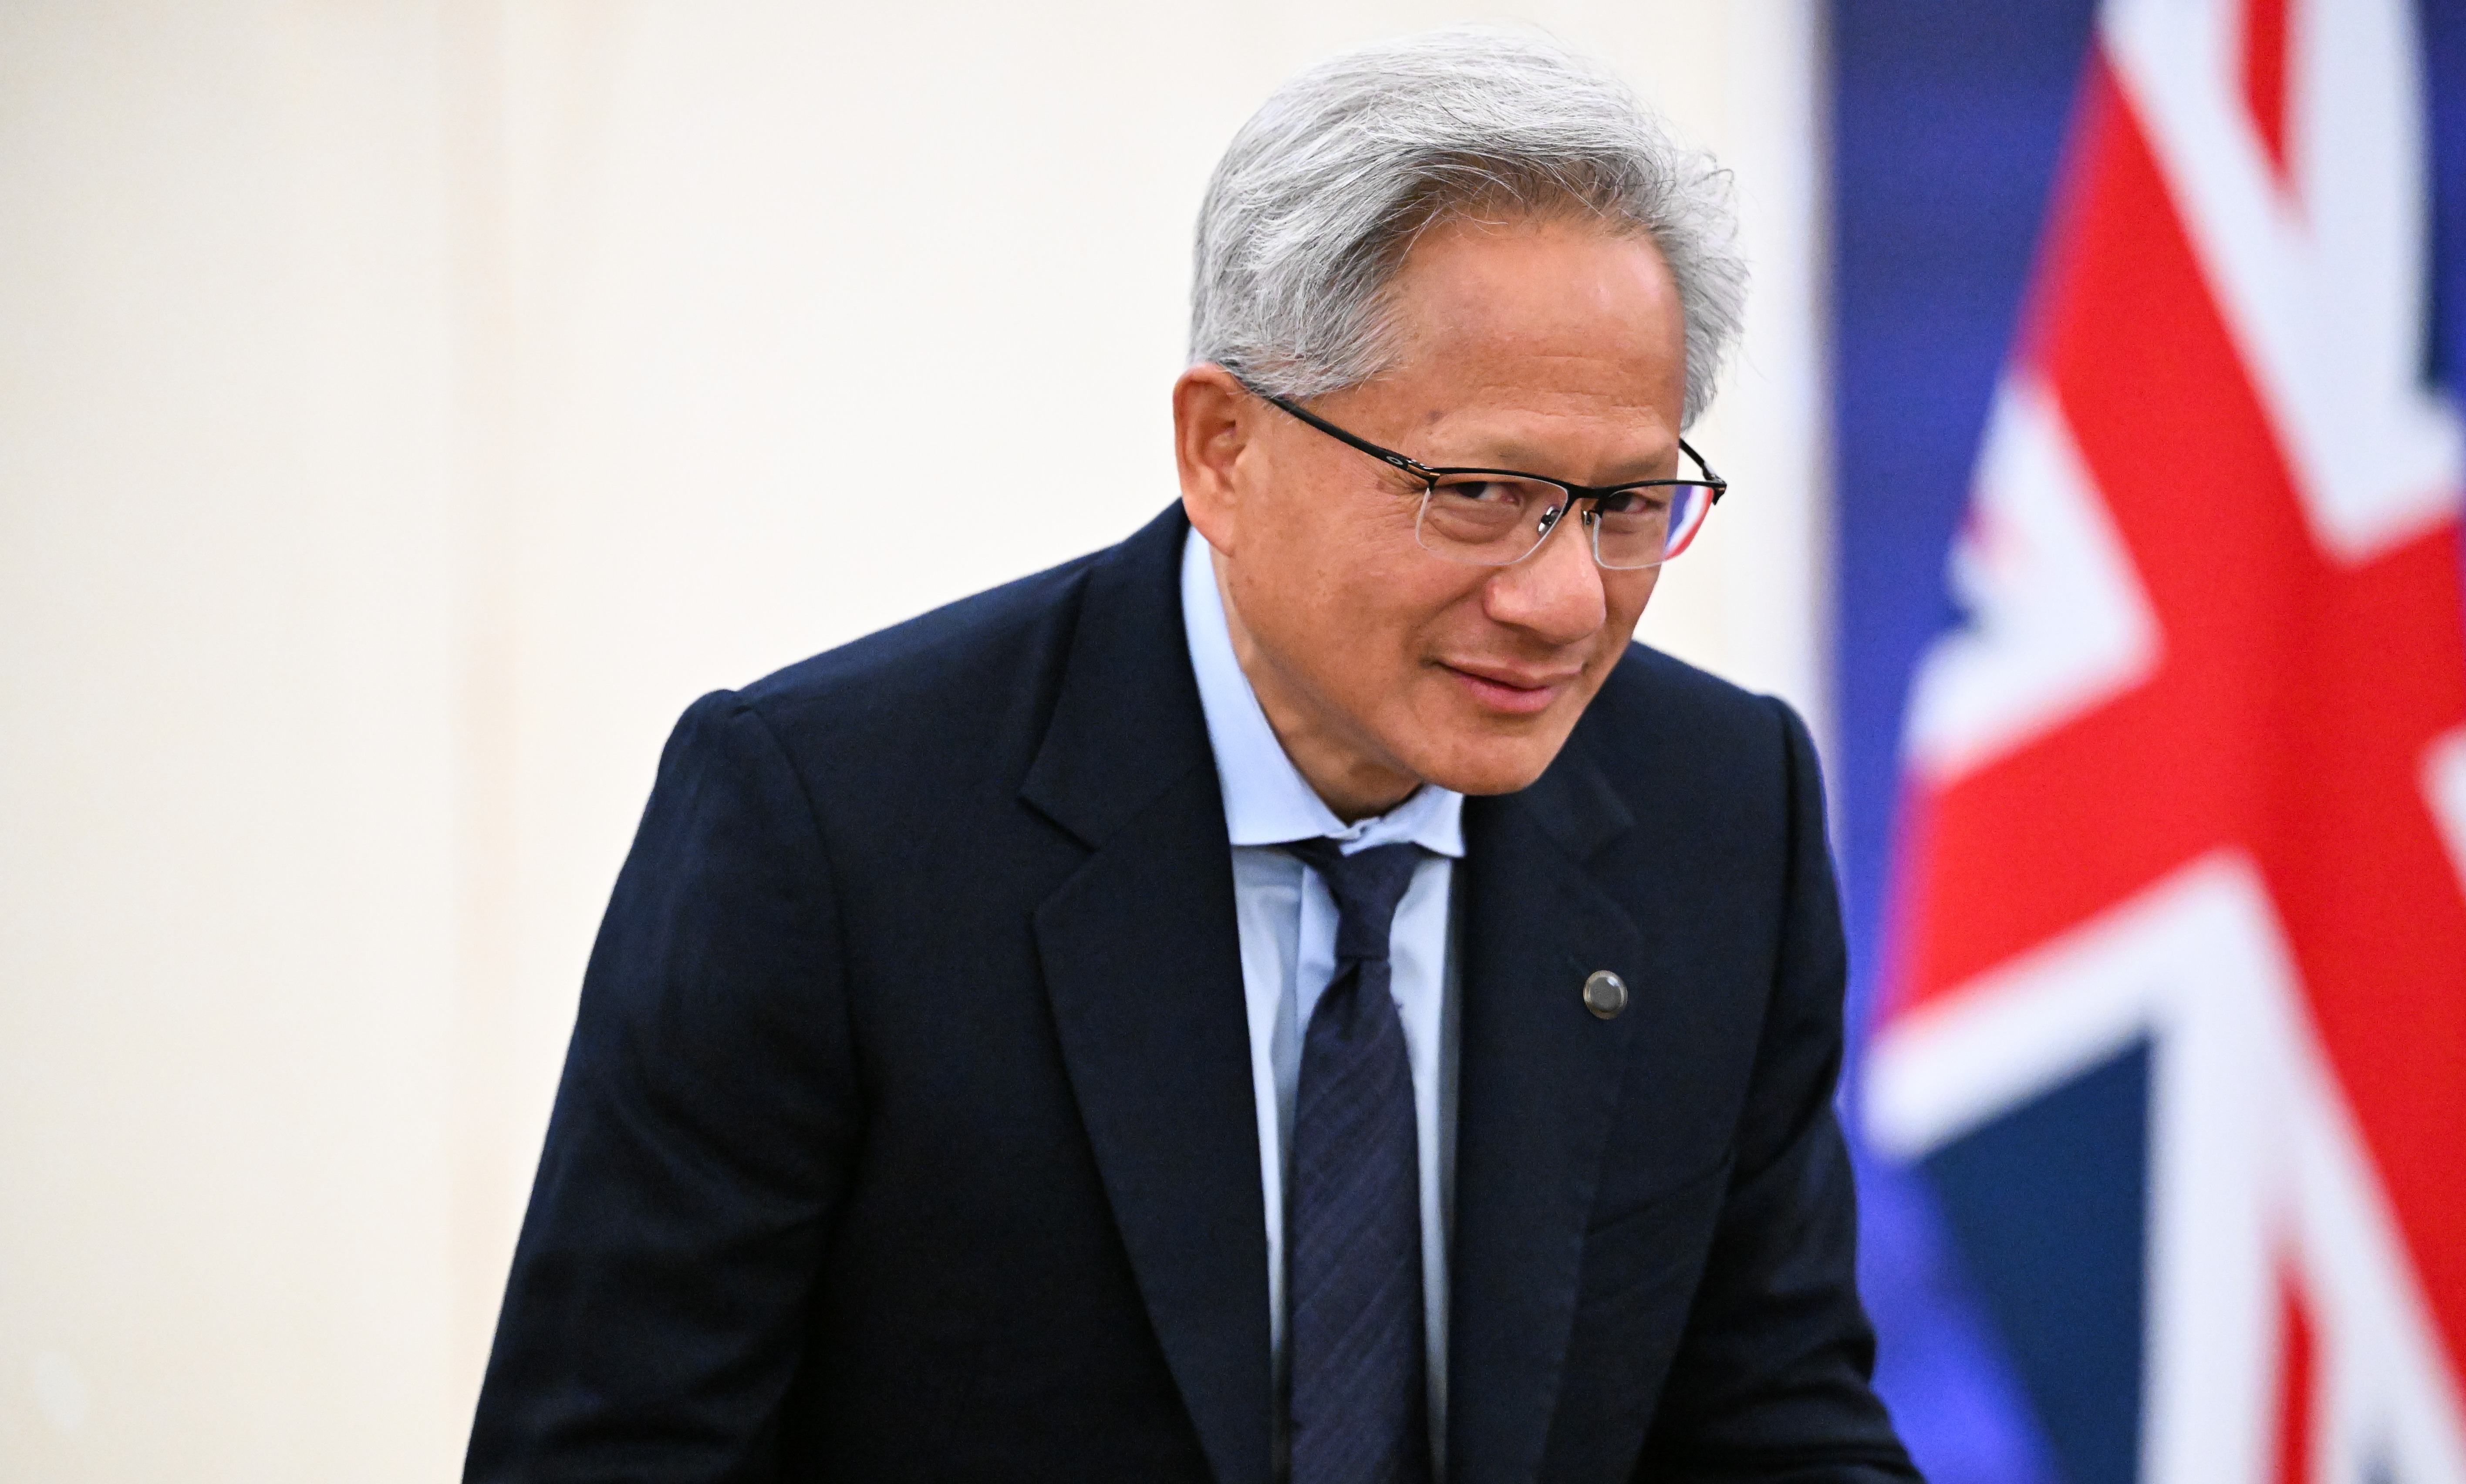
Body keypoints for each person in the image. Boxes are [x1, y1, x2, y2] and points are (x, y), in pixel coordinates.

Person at [466, 25, 1920, 1484]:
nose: (1564, 603)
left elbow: (1776, 1423)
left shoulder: (1722, 809)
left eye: (1627, 506)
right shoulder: (828, 826)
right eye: (1479, 491)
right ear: (1225, 448)